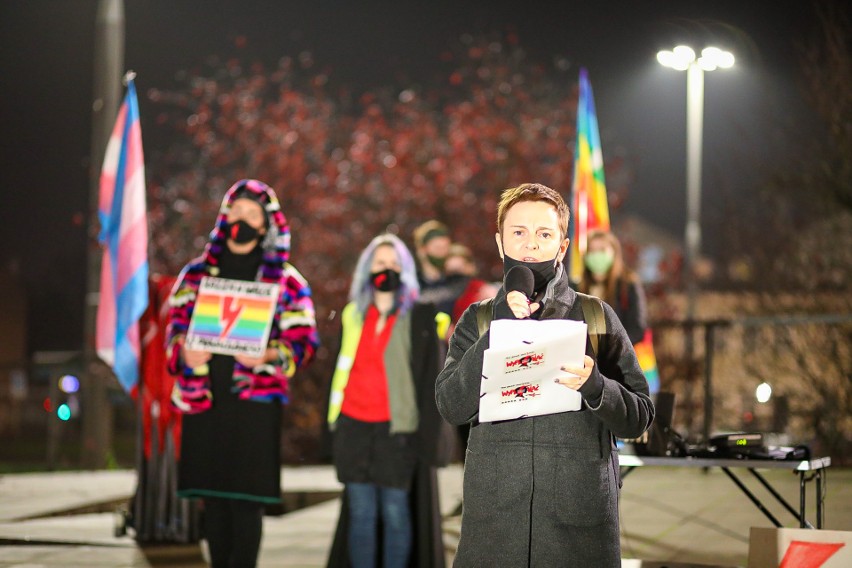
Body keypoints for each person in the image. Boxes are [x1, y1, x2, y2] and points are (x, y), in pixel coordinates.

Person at [435, 183, 654, 567]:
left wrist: (596, 386)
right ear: (501, 243)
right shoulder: (478, 318)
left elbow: (640, 416)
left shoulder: (596, 317)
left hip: (579, 527)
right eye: (518, 233)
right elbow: (451, 405)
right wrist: (493, 336)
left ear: (563, 246)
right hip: (494, 531)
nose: (530, 245)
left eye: (544, 234)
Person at [165, 179, 319, 567]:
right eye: (238, 212)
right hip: (206, 402)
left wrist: (271, 353)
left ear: (268, 225)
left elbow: (304, 343)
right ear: (224, 217)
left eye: (254, 214)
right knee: (214, 503)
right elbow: (173, 333)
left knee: (247, 504)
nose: (244, 220)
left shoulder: (286, 280)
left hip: (255, 407)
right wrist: (185, 355)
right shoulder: (195, 274)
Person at [326, 233, 449, 568]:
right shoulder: (353, 314)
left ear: (406, 270)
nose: (387, 269)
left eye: (395, 263)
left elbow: (431, 379)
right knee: (361, 515)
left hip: (397, 431)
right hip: (353, 426)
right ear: (367, 269)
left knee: (396, 513)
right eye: (380, 263)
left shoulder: (420, 316)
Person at [576, 228, 648, 345]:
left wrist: (612, 347)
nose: (596, 255)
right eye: (592, 250)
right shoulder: (578, 287)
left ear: (614, 252)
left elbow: (637, 330)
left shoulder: (628, 285)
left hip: (618, 357)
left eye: (602, 250)